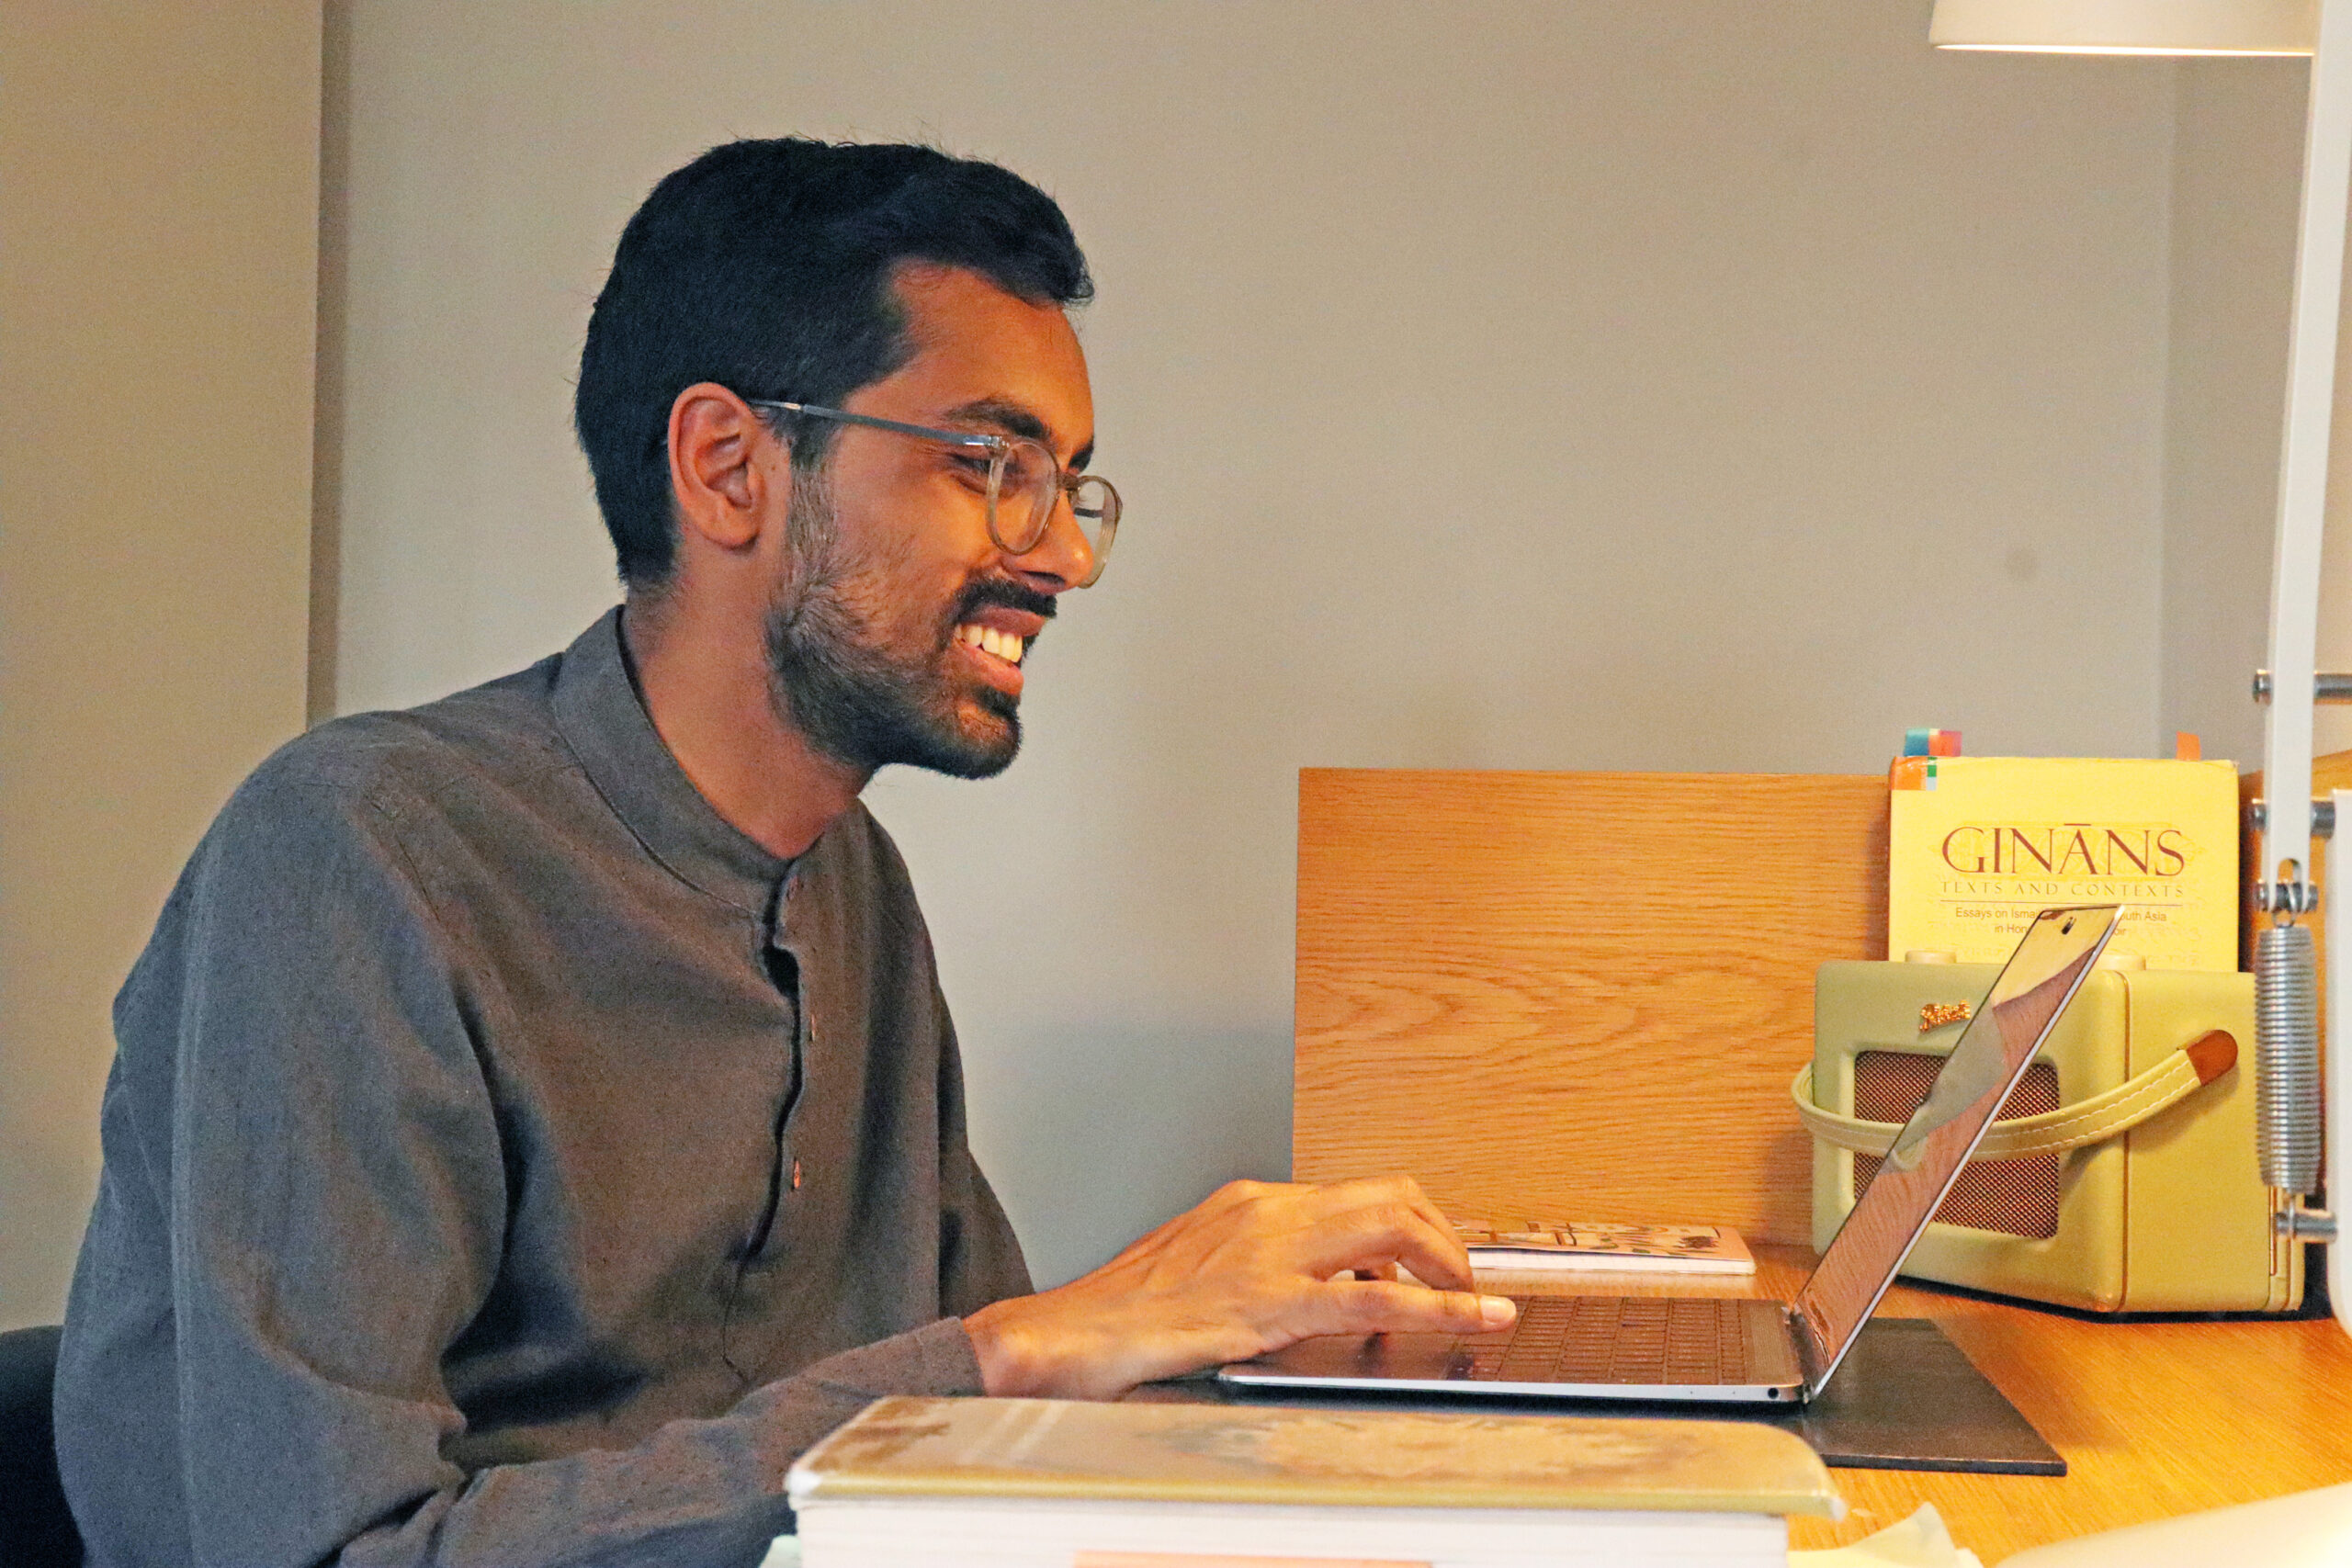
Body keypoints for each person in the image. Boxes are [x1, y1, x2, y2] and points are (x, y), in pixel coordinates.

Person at [53, 138, 1514, 1568]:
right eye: (989, 460)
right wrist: (1008, 1356)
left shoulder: (851, 884)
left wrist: (1309, 1375)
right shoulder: (361, 856)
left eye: (1070, 482)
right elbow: (327, 1553)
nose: (1060, 551)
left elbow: (991, 1435)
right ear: (729, 466)